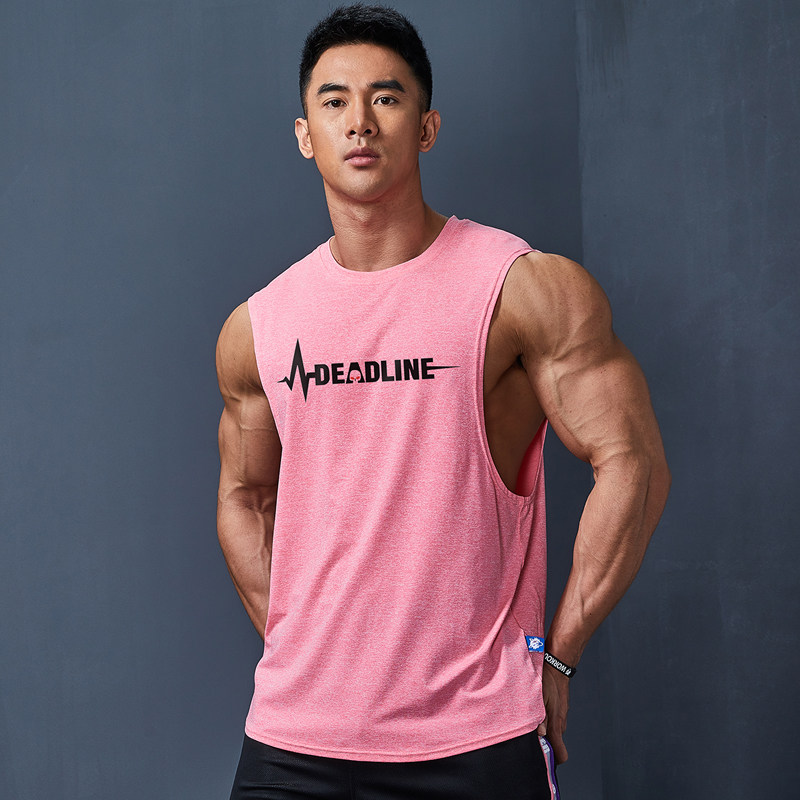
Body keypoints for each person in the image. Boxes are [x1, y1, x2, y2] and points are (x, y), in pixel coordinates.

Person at [215, 5, 670, 798]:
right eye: (334, 101)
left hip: (474, 740)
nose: (360, 121)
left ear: (426, 128)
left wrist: (559, 655)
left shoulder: (522, 289)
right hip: (294, 744)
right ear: (305, 134)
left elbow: (633, 463)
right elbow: (244, 497)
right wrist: (301, 643)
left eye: (386, 98)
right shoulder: (259, 325)